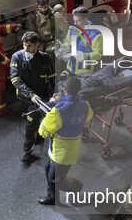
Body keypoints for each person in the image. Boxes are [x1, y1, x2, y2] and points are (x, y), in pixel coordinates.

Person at [37, 77, 93, 205]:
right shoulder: (85, 105)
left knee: (56, 180)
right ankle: (52, 196)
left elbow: (42, 131)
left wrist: (52, 104)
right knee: (48, 170)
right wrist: (61, 101)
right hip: (69, 150)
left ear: (65, 89)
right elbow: (88, 116)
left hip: (60, 153)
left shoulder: (59, 111)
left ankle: (76, 187)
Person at [10, 31, 55, 162]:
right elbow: (15, 79)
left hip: (42, 96)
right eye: (24, 45)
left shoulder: (45, 58)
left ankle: (34, 141)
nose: (26, 48)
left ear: (37, 45)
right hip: (26, 97)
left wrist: (54, 92)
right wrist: (30, 95)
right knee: (30, 121)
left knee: (37, 120)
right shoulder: (17, 57)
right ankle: (32, 143)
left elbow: (51, 77)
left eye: (30, 45)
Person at [62, 7, 103, 75]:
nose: (75, 23)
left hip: (84, 72)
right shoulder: (72, 28)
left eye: (78, 21)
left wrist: (85, 56)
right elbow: (68, 42)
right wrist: (63, 48)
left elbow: (98, 54)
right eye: (74, 20)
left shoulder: (95, 34)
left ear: (85, 19)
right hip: (70, 67)